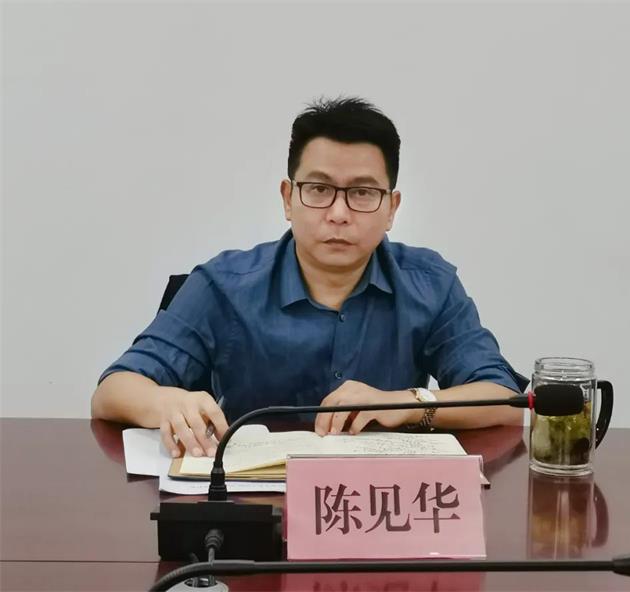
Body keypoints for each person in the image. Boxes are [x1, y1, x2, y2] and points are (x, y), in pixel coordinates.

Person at [91, 97, 528, 458]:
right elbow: (112, 391)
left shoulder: (431, 285)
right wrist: (167, 401)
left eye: (362, 193)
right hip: (254, 506)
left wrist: (408, 403)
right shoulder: (223, 285)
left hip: (378, 505)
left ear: (391, 208)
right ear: (288, 198)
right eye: (319, 190)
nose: (338, 214)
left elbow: (504, 402)